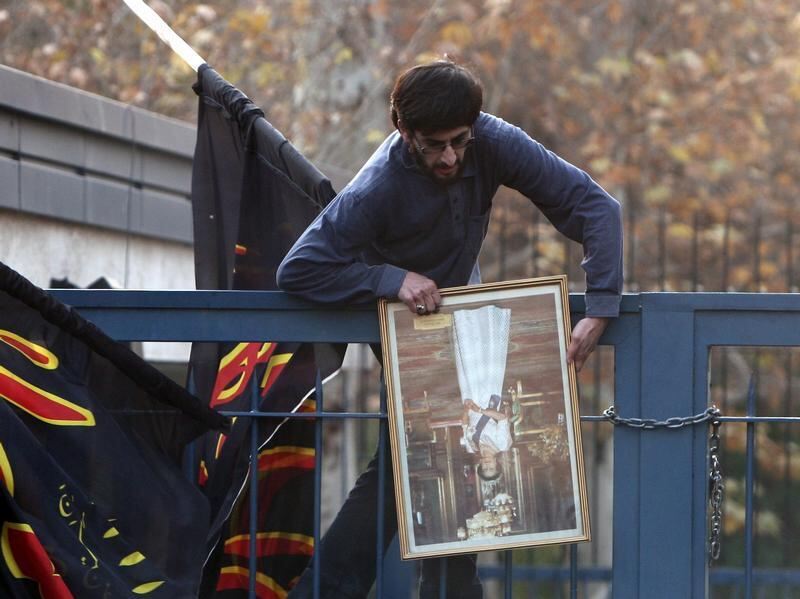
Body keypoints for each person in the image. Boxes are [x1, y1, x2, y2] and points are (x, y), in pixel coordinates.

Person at [277, 58, 622, 598]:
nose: (450, 157)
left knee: (437, 457)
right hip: (401, 318)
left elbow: (595, 207)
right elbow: (299, 269)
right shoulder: (377, 187)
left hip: (460, 309)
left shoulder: (492, 138)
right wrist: (392, 279)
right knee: (420, 457)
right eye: (433, 146)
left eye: (460, 142)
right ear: (403, 130)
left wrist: (600, 304)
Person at [462, 395, 511, 481]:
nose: (487, 465)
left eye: (485, 469)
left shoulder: (471, 448)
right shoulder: (502, 445)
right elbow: (502, 418)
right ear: (496, 464)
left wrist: (466, 409)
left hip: (469, 403)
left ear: (481, 466)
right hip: (489, 399)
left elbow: (465, 425)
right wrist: (479, 410)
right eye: (491, 468)